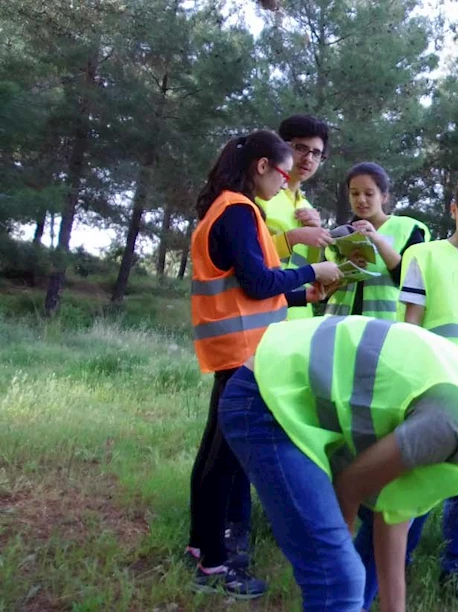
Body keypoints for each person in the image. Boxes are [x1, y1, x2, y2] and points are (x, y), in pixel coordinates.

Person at [217, 314, 458, 612]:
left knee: (350, 573)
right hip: (265, 398)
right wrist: (336, 545)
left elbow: (394, 516)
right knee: (340, 580)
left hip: (281, 393)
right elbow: (350, 486)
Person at [187, 130, 345, 599]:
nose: (285, 182)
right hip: (241, 353)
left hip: (236, 348)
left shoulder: (228, 207)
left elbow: (249, 286)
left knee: (214, 455)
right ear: (262, 167)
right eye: (282, 173)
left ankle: (202, 546)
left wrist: (302, 292)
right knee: (224, 461)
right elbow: (257, 283)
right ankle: (216, 566)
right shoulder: (238, 209)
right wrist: (312, 270)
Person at [356, 169, 458, 606]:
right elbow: (411, 325)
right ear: (454, 210)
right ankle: (389, 570)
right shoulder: (424, 255)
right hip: (437, 394)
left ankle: (453, 570)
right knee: (415, 486)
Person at [325, 162, 430, 319]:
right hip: (339, 326)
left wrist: (378, 241)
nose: (361, 200)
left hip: (386, 327)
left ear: (384, 196)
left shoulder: (408, 229)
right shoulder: (338, 235)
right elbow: (323, 291)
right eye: (355, 193)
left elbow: (413, 283)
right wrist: (346, 267)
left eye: (369, 194)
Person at [256, 114, 336, 321]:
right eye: (301, 148)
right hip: (260, 313)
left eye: (317, 153)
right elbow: (244, 257)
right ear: (280, 147)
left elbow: (307, 271)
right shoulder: (258, 196)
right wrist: (294, 237)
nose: (309, 158)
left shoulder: (308, 209)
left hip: (300, 316)